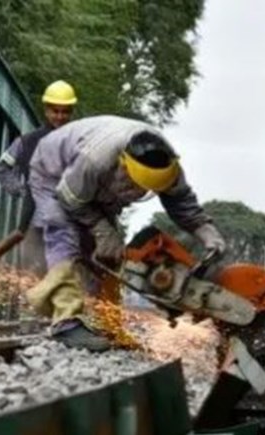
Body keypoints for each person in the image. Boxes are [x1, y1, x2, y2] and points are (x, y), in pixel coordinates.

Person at [26, 115, 226, 351]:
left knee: (108, 255)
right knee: (63, 232)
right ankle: (66, 323)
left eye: (145, 188)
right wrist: (102, 230)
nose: (138, 191)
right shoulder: (94, 160)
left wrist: (207, 233)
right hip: (55, 175)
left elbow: (181, 203)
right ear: (123, 164)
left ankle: (104, 323)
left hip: (97, 187)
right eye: (134, 184)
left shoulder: (168, 166)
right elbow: (70, 199)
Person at [0, 81, 77, 331]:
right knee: (31, 270)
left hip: (67, 222)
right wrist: (21, 191)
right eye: (55, 110)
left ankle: (62, 321)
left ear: (71, 112)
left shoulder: (79, 143)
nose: (59, 117)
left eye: (64, 111)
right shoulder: (27, 142)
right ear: (46, 110)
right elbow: (2, 168)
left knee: (64, 272)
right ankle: (28, 322)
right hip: (34, 222)